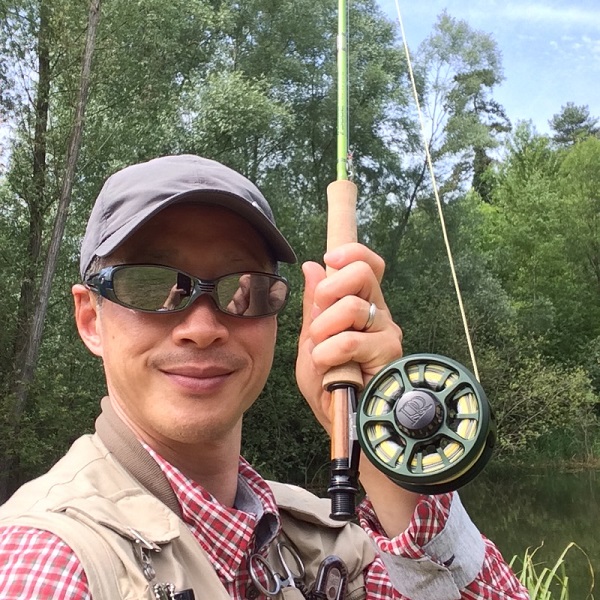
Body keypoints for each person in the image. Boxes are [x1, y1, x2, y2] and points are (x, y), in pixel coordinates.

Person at [0, 155, 529, 599]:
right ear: (90, 320)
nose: (202, 328)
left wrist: (380, 438)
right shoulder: (50, 559)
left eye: (244, 290)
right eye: (151, 286)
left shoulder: (328, 542)